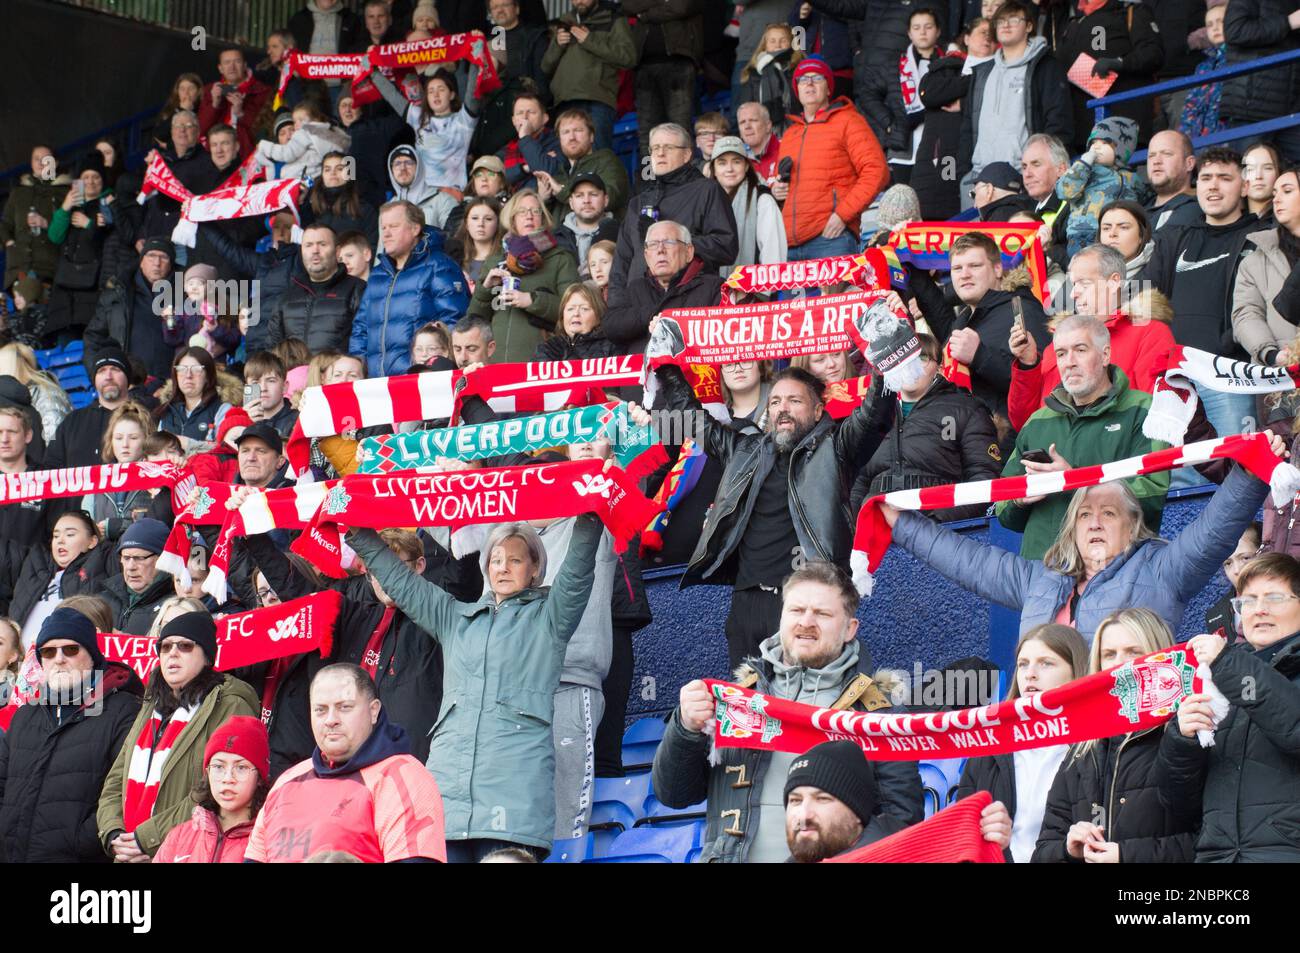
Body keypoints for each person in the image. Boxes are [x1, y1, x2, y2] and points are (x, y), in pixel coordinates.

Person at [348, 510, 603, 862]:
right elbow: (400, 581)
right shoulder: (455, 618)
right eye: (495, 559)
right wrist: (357, 530)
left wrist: (590, 512)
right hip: (448, 790)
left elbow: (576, 572)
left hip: (515, 793)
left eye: (514, 560)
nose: (502, 567)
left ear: (534, 570)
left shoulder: (550, 619)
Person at [880, 432, 1281, 636]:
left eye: (1108, 513)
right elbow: (969, 562)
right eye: (1084, 514)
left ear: (1133, 526)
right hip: (1042, 732)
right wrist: (901, 523)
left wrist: (1252, 471)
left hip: (1123, 736)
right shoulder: (1040, 580)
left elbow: (1215, 531)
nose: (1094, 522)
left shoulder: (1163, 571)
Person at [652, 562, 923, 863]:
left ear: (850, 629)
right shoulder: (735, 700)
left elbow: (902, 823)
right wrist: (685, 728)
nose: (806, 622)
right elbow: (674, 795)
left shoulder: (880, 713)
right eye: (796, 610)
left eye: (822, 613)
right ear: (781, 617)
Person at [653, 357, 892, 666]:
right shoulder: (744, 450)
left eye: (795, 400)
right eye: (776, 401)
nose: (783, 408)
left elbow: (875, 415)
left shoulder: (836, 449)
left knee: (803, 707)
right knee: (748, 710)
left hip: (806, 604)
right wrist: (666, 367)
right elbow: (693, 420)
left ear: (819, 410)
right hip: (746, 605)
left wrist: (887, 352)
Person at [1155, 553, 1300, 861]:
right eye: (1247, 601)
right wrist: (1183, 741)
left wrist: (1227, 663)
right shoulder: (1215, 679)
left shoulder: (1228, 667)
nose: (1259, 610)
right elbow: (1177, 808)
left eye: (1274, 598)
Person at [998, 312, 1170, 560]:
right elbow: (1003, 507)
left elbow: (1154, 493)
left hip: (1113, 573)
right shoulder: (1037, 422)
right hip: (1040, 575)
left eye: (1080, 350)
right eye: (1061, 354)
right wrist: (1020, 500)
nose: (1069, 362)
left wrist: (1077, 481)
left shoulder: (1144, 410)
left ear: (1105, 355)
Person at [1032, 608, 1197, 864]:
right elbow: (1043, 852)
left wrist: (1126, 856)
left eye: (1134, 652)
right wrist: (1068, 849)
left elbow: (1213, 844)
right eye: (1109, 655)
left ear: (1161, 656)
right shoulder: (1083, 748)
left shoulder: (1189, 735)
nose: (1120, 663)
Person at [97, 611, 259, 861]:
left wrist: (147, 838)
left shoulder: (230, 704)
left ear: (206, 656)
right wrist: (114, 834)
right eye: (165, 646)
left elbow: (213, 789)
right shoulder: (153, 703)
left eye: (184, 646)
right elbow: (117, 778)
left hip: (185, 852)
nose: (172, 653)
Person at [245, 664, 446, 863]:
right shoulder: (287, 781)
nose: (331, 720)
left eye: (344, 707)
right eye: (320, 710)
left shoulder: (403, 776)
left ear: (373, 711)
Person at [0, 605, 144, 863]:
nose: (59, 658)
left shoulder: (124, 710)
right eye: (48, 651)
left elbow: (123, 793)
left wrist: (79, 841)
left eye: (70, 649)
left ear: (91, 655)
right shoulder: (24, 716)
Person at [1139, 147, 1260, 439]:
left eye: (1224, 178)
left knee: (1236, 473)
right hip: (1177, 381)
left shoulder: (1261, 237)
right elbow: (1143, 301)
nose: (1214, 185)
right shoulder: (1173, 238)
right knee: (1180, 482)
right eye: (1206, 178)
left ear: (1244, 186)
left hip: (1233, 378)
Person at [1007, 243, 1176, 431]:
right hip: (1052, 450)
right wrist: (1028, 364)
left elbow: (1157, 414)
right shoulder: (1059, 343)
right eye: (1072, 284)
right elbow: (1025, 422)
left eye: (1083, 283)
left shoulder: (1150, 333)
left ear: (1113, 282)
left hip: (1113, 452)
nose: (1073, 293)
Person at [956, 624, 1088, 862]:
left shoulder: (1094, 749)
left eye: (1046, 663)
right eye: (1023, 664)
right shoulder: (990, 747)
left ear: (1075, 671)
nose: (1030, 674)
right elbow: (961, 838)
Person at [851, 333, 1002, 519]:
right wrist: (857, 523)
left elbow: (984, 477)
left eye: (921, 357)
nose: (910, 365)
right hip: (875, 529)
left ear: (939, 368)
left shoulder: (967, 409)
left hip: (940, 532)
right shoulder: (873, 415)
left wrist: (939, 519)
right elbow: (857, 480)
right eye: (903, 357)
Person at [923, 231, 1051, 429]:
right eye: (957, 268)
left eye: (975, 266)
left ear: (998, 269)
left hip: (1009, 446)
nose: (964, 274)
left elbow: (1046, 382)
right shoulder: (964, 320)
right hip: (963, 441)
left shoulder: (1023, 310)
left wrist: (980, 356)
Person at [774, 56, 888, 263]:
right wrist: (777, 190)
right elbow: (783, 185)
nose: (809, 83)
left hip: (830, 239)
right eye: (802, 79)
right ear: (797, 90)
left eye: (817, 78)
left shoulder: (848, 120)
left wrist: (842, 215)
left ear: (828, 89)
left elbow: (877, 170)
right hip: (788, 243)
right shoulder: (790, 133)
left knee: (835, 297)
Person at [958, 1, 1072, 207]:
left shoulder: (1045, 66)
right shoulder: (983, 72)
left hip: (1021, 178)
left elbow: (1058, 121)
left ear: (1029, 26)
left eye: (1013, 19)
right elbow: (968, 127)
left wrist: (1037, 170)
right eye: (1000, 20)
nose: (1005, 25)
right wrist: (962, 173)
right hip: (980, 178)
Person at [610, 122, 738, 294]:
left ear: (686, 155)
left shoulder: (707, 190)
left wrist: (675, 241)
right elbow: (621, 264)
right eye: (655, 148)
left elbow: (726, 247)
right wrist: (617, 308)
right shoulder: (638, 202)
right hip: (638, 307)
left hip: (688, 302)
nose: (660, 153)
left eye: (668, 147)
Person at [349, 200, 470, 377]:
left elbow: (454, 324)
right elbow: (361, 328)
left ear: (415, 229)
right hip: (376, 385)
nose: (386, 234)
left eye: (394, 226)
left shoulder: (439, 265)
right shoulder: (377, 274)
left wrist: (434, 370)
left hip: (420, 381)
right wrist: (359, 368)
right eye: (383, 228)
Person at [465, 189, 579, 363]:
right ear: (512, 219)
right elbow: (474, 321)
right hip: (496, 364)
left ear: (543, 218)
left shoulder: (560, 258)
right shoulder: (496, 260)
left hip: (541, 365)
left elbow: (575, 311)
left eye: (535, 211)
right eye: (522, 212)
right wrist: (484, 290)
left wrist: (532, 300)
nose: (529, 216)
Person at [153, 715, 271, 863]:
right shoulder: (179, 836)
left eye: (241, 767)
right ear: (208, 772)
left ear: (259, 777)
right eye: (218, 767)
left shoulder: (269, 843)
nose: (228, 778)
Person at [1053, 0, 1163, 152]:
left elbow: (1153, 54)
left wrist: (1120, 63)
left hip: (1124, 131)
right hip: (1081, 136)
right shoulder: (1072, 24)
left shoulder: (1131, 12)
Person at [604, 220, 725, 357]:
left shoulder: (714, 287)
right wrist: (654, 315)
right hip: (640, 375)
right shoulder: (635, 288)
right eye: (653, 245)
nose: (660, 250)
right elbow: (611, 326)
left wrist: (670, 322)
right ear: (646, 256)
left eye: (669, 242)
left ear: (689, 252)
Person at [540, 0, 636, 151]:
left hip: (597, 99)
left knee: (598, 158)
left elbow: (628, 57)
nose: (579, 1)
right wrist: (557, 45)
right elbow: (545, 67)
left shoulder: (614, 18)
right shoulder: (565, 21)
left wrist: (589, 40)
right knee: (568, 162)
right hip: (565, 100)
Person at [8, 510, 111, 651]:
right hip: (20, 665)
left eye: (70, 534)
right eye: (56, 536)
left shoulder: (101, 564)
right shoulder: (36, 568)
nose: (60, 540)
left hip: (64, 664)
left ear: (92, 541)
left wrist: (114, 527)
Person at [1232, 167, 1300, 374]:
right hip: (1278, 374)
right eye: (1274, 193)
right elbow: (1247, 315)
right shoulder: (1254, 261)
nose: (1277, 199)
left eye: (1287, 191)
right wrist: (1271, 354)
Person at [84, 237, 176, 384]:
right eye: (151, 255)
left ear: (171, 264)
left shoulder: (186, 295)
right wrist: (96, 374)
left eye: (163, 257)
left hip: (173, 385)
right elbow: (94, 338)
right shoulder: (117, 295)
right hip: (130, 384)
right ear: (141, 261)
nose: (157, 263)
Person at [1219, 0, 1300, 163]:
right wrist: (1289, 22)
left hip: (1292, 108)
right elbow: (1235, 30)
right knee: (1249, 173)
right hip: (1252, 108)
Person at [1055, 118, 1147, 259]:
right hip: (1083, 234)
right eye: (1093, 143)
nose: (1096, 147)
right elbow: (1064, 191)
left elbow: (1142, 199)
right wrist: (1084, 163)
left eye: (1104, 143)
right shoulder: (1085, 171)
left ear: (1121, 149)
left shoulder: (1132, 178)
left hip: (1114, 236)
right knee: (1084, 274)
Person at [265, 224, 365, 355]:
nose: (315, 250)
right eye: (308, 245)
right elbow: (273, 348)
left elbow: (364, 342)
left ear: (338, 251)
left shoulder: (357, 289)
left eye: (322, 244)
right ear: (301, 250)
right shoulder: (287, 296)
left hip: (337, 374)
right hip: (292, 374)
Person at [46, 153, 113, 342]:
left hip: (92, 286)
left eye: (96, 177)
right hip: (65, 286)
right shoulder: (72, 206)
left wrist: (89, 224)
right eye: (86, 177)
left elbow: (111, 239)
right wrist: (65, 208)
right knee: (63, 342)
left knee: (89, 340)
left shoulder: (108, 203)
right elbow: (54, 236)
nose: (91, 182)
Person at [622, 0, 702, 158]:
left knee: (680, 131)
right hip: (644, 67)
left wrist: (645, 15)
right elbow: (628, 6)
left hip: (678, 63)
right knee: (647, 135)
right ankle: (648, 180)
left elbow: (682, 6)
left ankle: (684, 181)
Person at [532, 109, 630, 224]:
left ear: (591, 136)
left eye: (578, 130)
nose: (572, 137)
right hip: (562, 240)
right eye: (565, 132)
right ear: (560, 140)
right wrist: (543, 199)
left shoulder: (605, 159)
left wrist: (561, 190)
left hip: (599, 239)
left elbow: (611, 197)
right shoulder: (558, 172)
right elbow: (543, 223)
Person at [47, 347, 133, 470]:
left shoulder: (142, 417)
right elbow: (51, 467)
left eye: (115, 369)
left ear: (127, 377)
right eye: (101, 370)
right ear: (94, 379)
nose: (108, 376)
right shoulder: (72, 421)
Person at [709, 137, 786, 273]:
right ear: (713, 169)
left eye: (736, 162)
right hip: (714, 291)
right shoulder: (706, 204)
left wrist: (762, 294)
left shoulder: (763, 201)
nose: (729, 169)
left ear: (746, 166)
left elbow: (774, 259)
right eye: (722, 163)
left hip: (754, 292)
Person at [81, 402, 155, 542]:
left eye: (133, 438)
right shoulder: (97, 481)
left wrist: (114, 527)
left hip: (142, 559)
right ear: (111, 441)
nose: (125, 444)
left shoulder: (157, 477)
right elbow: (86, 529)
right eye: (119, 438)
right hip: (104, 558)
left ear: (147, 440)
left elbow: (159, 522)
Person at [1, 145, 68, 293]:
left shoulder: (65, 193)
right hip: (18, 268)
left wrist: (46, 223)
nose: (40, 163)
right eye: (36, 159)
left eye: (45, 159)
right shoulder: (18, 192)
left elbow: (69, 229)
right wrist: (9, 242)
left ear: (55, 163)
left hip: (49, 269)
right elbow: (5, 223)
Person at [101, 518, 177, 636]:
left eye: (139, 558)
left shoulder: (175, 607)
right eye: (126, 558)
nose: (131, 567)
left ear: (162, 559)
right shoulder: (101, 602)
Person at [197, 48, 273, 157]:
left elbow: (265, 131)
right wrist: (214, 104)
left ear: (245, 65)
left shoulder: (262, 91)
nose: (232, 67)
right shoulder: (210, 90)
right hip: (215, 156)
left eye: (237, 61)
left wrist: (240, 113)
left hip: (246, 158)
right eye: (227, 62)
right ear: (220, 68)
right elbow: (200, 130)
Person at [157, 348, 231, 452]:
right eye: (182, 369)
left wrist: (189, 444)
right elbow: (155, 452)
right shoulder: (167, 410)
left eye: (196, 369)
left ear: (208, 376)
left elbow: (226, 451)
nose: (188, 375)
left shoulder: (222, 409)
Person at [739, 24, 802, 140]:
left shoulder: (799, 69)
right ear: (764, 46)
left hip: (798, 131)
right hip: (764, 136)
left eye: (783, 40)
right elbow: (746, 110)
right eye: (772, 41)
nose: (777, 45)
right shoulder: (753, 73)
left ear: (792, 43)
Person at [554, 173, 620, 277]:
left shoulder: (622, 235)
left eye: (593, 194)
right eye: (579, 196)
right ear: (571, 203)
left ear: (606, 200)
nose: (586, 201)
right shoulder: (556, 239)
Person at [1205, 523, 1264, 639]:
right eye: (1228, 563)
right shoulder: (1214, 616)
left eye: (1246, 558)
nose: (1237, 570)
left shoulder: (1289, 600)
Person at [384, 143, 458, 231]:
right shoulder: (388, 207)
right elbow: (383, 244)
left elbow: (453, 240)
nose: (402, 168)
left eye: (408, 163)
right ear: (391, 170)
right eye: (397, 163)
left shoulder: (443, 201)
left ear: (419, 167)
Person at [535, 283, 617, 362]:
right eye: (570, 309)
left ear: (598, 316)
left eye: (584, 309)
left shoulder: (611, 347)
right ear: (562, 316)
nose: (576, 314)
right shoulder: (547, 349)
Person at [307, 152, 378, 238]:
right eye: (327, 169)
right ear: (322, 175)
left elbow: (372, 246)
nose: (333, 173)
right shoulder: (310, 209)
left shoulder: (365, 210)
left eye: (340, 169)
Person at [1144, 130, 1201, 234]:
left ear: (1189, 163)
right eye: (1151, 155)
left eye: (1167, 154)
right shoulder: (1140, 206)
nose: (1156, 161)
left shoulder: (1199, 206)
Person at [449, 197, 502, 289]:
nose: (480, 224)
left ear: (498, 224)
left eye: (488, 219)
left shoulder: (506, 258)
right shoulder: (452, 256)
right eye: (475, 218)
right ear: (466, 224)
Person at [242, 352, 299, 439]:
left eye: (271, 381)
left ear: (284, 387)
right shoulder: (237, 421)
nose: (263, 388)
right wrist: (245, 424)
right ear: (247, 388)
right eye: (255, 382)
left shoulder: (299, 421)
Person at [971, 161, 1036, 222]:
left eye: (973, 194)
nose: (975, 205)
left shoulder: (999, 217)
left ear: (989, 190)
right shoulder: (1032, 210)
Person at [736, 101, 782, 184]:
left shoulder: (787, 149)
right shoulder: (737, 160)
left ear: (768, 126)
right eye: (742, 122)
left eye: (753, 120)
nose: (747, 126)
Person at [1242, 142, 1283, 223]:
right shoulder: (1233, 223)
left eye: (1267, 168)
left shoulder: (1287, 221)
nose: (1258, 176)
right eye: (1250, 169)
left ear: (1280, 174)